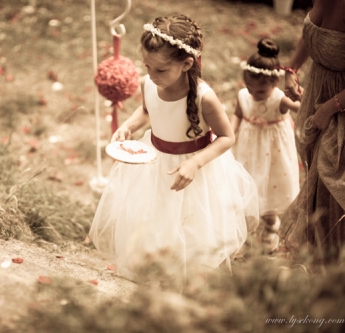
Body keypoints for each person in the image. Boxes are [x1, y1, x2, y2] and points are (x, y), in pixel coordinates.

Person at [88, 14, 259, 283]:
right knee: (152, 219)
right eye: (147, 67)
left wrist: (195, 163)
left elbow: (227, 137)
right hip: (154, 165)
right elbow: (147, 110)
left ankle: (185, 281)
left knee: (191, 228)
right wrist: (129, 127)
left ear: (186, 63)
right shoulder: (148, 84)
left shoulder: (205, 98)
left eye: (160, 70)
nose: (152, 76)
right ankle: (155, 275)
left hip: (193, 172)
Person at [281, 0, 345, 262]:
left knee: (334, 180)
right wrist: (291, 68)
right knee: (317, 178)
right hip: (320, 90)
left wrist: (330, 108)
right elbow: (312, 34)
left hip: (338, 105)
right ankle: (321, 258)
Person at [230, 38, 301, 253]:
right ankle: (243, 228)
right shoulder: (244, 96)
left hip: (274, 152)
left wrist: (299, 95)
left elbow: (301, 108)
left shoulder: (279, 100)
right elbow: (237, 115)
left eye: (259, 92)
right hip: (248, 148)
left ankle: (271, 225)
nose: (253, 94)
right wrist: (230, 133)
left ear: (275, 83)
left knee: (270, 186)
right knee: (248, 182)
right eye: (249, 88)